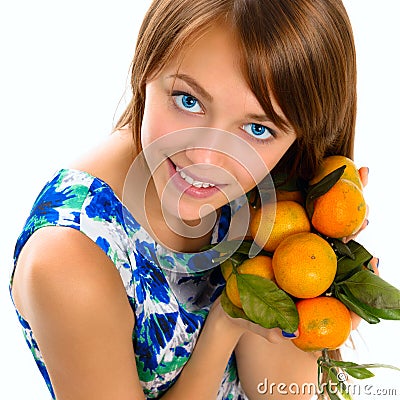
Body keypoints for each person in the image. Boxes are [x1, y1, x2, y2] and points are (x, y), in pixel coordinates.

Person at [9, 0, 370, 399]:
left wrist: (309, 268)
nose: (207, 158)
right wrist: (224, 325)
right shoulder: (70, 260)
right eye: (188, 101)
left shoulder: (269, 193)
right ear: (147, 65)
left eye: (256, 127)